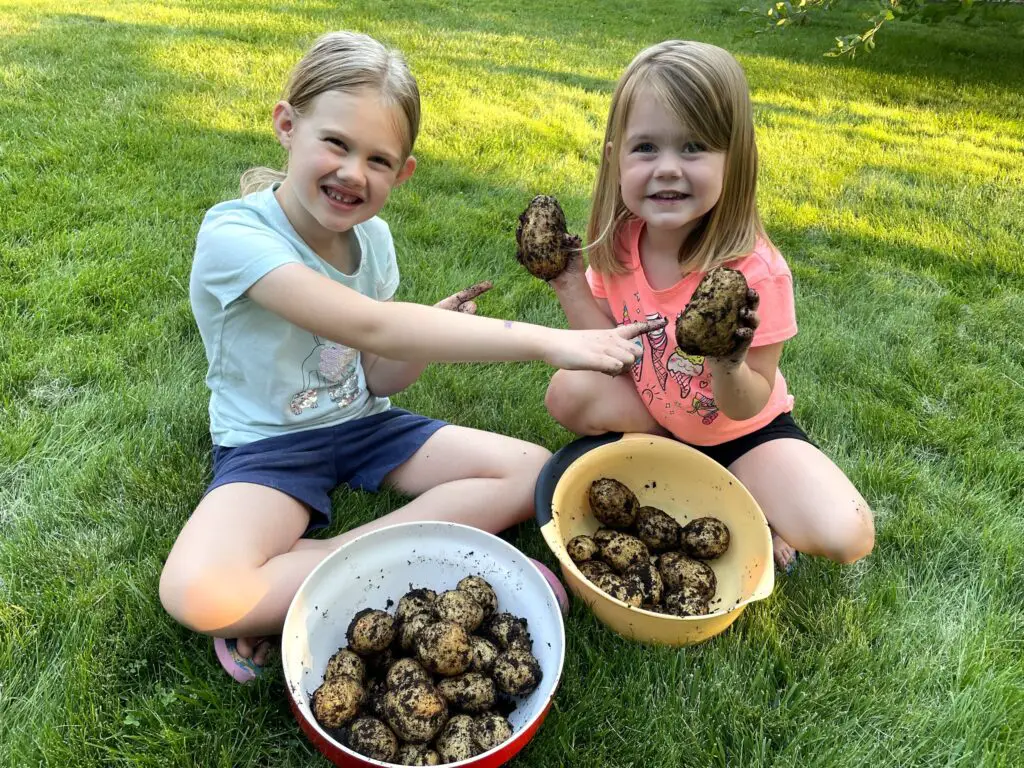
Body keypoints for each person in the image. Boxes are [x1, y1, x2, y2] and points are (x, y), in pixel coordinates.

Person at [159, 31, 662, 682]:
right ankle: (373, 567)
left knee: (532, 470)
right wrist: (551, 341)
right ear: (287, 125)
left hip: (367, 426)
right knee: (197, 592)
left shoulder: (374, 239)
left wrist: (427, 338)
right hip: (271, 447)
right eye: (335, 143)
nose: (352, 174)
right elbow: (375, 323)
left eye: (378, 159)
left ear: (403, 173)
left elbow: (378, 367)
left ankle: (314, 576)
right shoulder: (235, 235)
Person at [542, 40, 874, 571]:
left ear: (734, 160)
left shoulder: (755, 272)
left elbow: (746, 403)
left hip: (742, 432)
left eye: (693, 147)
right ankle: (684, 465)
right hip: (657, 409)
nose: (668, 168)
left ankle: (743, 491)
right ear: (615, 159)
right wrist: (568, 284)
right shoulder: (622, 241)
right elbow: (608, 348)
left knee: (846, 533)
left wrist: (728, 360)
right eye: (646, 148)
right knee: (567, 390)